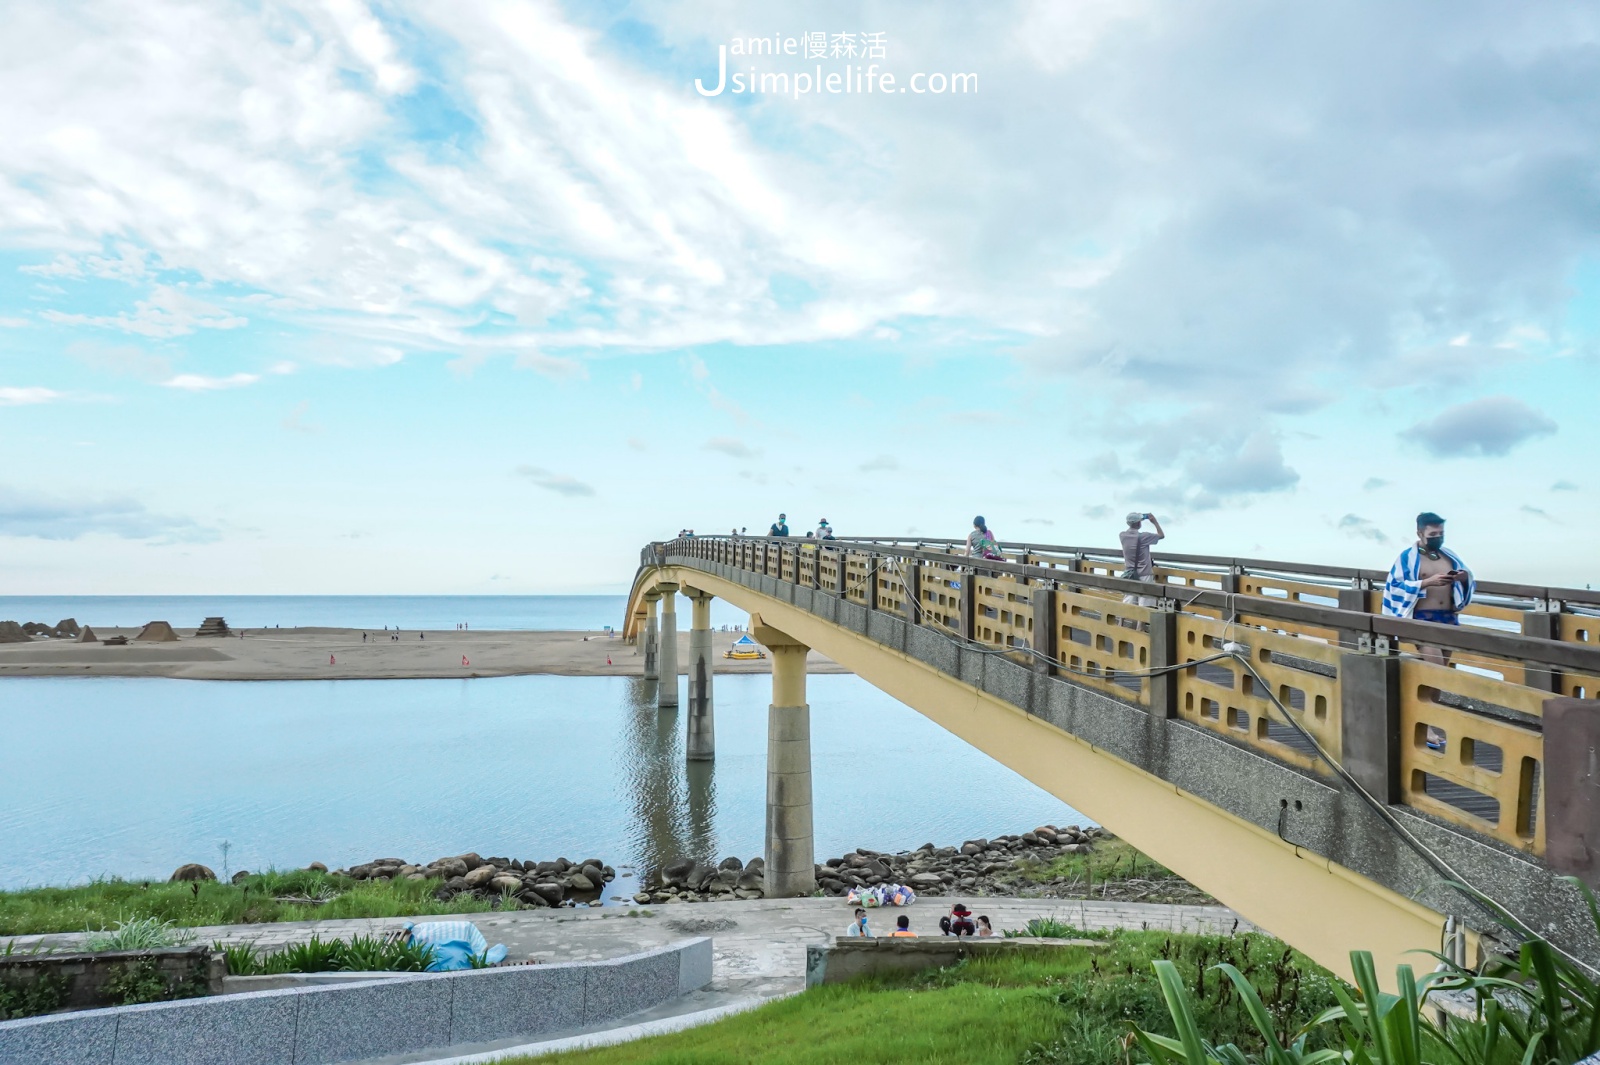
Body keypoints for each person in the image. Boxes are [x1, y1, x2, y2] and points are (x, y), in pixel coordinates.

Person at [1382, 512, 1476, 665]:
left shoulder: (1449, 556)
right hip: (1422, 619)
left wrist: (1463, 578)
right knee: (1437, 666)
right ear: (1420, 533)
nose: (1438, 537)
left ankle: (1431, 690)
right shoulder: (1408, 558)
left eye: (1441, 533)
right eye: (1433, 534)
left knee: (1443, 669)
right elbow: (1394, 586)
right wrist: (1427, 582)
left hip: (1448, 617)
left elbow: (1469, 579)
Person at [1119, 512, 1165, 607]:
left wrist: (1137, 521)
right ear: (1139, 523)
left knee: (1128, 603)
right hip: (1145, 573)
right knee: (1145, 604)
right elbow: (1161, 535)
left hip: (1130, 574)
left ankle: (1121, 622)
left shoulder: (1122, 535)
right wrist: (1154, 521)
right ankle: (1140, 622)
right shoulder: (1144, 537)